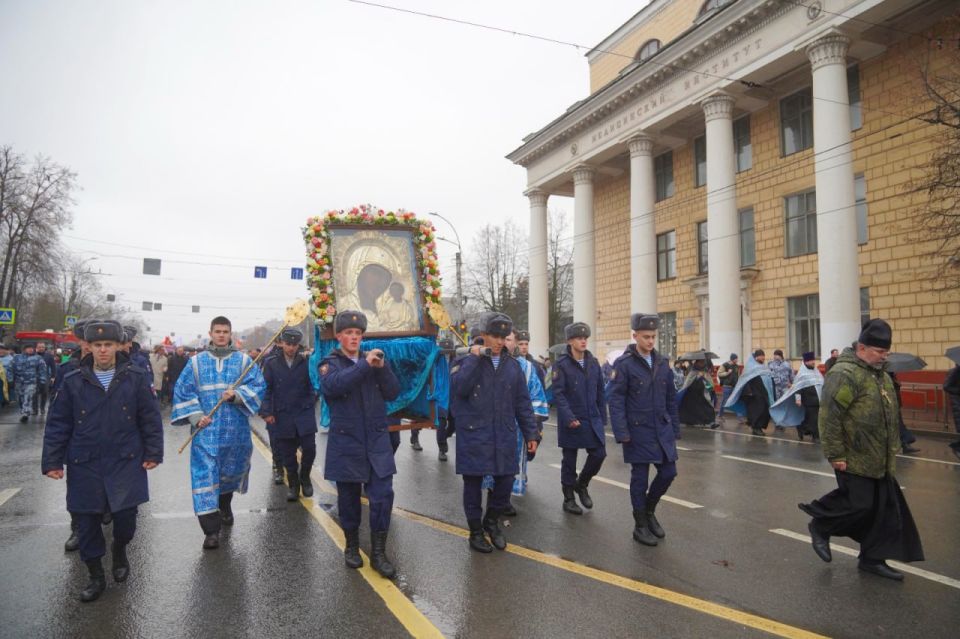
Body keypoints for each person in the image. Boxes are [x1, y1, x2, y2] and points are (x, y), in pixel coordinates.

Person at [41, 320, 163, 602]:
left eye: (108, 345)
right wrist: (53, 461)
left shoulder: (134, 377)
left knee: (125, 522)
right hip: (85, 462)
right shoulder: (73, 381)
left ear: (119, 346)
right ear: (89, 347)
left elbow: (150, 419)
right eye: (98, 345)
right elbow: (58, 424)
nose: (103, 350)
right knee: (87, 523)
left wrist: (153, 453)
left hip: (125, 461)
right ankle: (96, 576)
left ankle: (120, 550)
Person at [799, 319, 924, 581]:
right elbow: (830, 416)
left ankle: (872, 559)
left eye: (886, 352)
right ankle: (821, 524)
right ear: (863, 348)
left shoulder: (878, 374)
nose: (884, 357)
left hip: (880, 456)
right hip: (853, 455)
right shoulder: (845, 374)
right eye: (880, 352)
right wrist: (835, 454)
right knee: (861, 505)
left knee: (883, 511)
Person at [171, 316, 266, 550]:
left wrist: (236, 396)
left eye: (225, 331)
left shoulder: (244, 362)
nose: (221, 335)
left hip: (236, 433)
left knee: (229, 474)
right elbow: (183, 391)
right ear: (211, 333)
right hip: (205, 432)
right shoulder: (196, 363)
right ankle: (211, 531)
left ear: (230, 334)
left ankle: (225, 504)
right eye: (217, 331)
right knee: (205, 477)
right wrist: (195, 417)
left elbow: (258, 386)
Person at [319, 310, 401, 578]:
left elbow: (392, 392)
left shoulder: (373, 361)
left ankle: (379, 552)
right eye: (348, 333)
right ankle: (352, 546)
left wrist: (382, 367)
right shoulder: (330, 363)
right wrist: (365, 365)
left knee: (382, 496)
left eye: (358, 334)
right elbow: (334, 387)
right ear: (339, 336)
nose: (354, 337)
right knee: (349, 499)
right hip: (347, 442)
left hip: (376, 440)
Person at [450, 312, 538, 553]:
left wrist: (531, 434)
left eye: (504, 337)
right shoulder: (466, 360)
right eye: (495, 336)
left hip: (504, 433)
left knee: (505, 482)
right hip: (475, 434)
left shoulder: (513, 366)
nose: (500, 342)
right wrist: (474, 359)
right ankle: (476, 531)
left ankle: (492, 522)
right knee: (473, 485)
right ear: (484, 336)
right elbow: (459, 389)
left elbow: (522, 403)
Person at [607, 313, 679, 546]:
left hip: (661, 428)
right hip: (637, 431)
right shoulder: (625, 365)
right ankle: (639, 525)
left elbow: (671, 398)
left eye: (653, 337)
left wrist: (674, 428)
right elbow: (616, 400)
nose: (650, 341)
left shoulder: (662, 362)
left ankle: (649, 511)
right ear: (635, 335)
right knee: (640, 479)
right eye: (646, 337)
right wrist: (622, 432)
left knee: (669, 472)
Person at [482, 327, 548, 516]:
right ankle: (493, 501)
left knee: (510, 467)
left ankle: (505, 500)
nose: (506, 342)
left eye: (510, 339)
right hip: (492, 427)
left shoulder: (526, 367)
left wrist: (532, 424)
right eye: (503, 338)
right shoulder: (486, 363)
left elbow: (536, 396)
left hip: (516, 429)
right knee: (492, 465)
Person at [551, 322, 607, 515]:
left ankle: (581, 484)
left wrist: (602, 418)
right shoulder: (561, 364)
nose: (583, 341)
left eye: (585, 338)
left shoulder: (593, 362)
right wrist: (568, 417)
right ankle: (569, 498)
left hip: (591, 418)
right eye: (578, 338)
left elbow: (600, 391)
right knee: (569, 460)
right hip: (572, 420)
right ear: (570, 341)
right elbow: (559, 394)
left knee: (599, 454)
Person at [260, 328, 318, 501]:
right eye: (288, 344)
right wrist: (266, 411)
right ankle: (293, 484)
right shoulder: (271, 363)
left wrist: (311, 400)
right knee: (287, 454)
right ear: (281, 343)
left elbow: (314, 385)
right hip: (282, 415)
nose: (291, 348)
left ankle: (305, 477)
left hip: (304, 412)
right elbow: (266, 389)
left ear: (298, 345)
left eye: (294, 344)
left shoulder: (306, 362)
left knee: (309, 449)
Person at [770, 352, 823, 441]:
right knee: (813, 418)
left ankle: (801, 427)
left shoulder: (816, 372)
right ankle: (815, 436)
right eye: (811, 360)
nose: (813, 362)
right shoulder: (801, 374)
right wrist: (798, 399)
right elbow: (797, 388)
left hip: (818, 399)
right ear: (806, 362)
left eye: (813, 360)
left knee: (813, 418)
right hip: (809, 400)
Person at [725, 350, 774, 436]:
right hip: (754, 394)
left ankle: (758, 427)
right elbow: (745, 380)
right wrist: (749, 392)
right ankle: (756, 428)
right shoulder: (750, 367)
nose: (763, 357)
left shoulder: (764, 367)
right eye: (761, 355)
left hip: (764, 393)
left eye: (764, 355)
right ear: (756, 357)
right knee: (757, 411)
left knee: (765, 410)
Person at [12, 342, 48, 423]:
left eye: (32, 348)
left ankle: (25, 413)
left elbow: (42, 370)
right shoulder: (17, 358)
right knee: (20, 398)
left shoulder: (38, 358)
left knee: (28, 397)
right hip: (19, 382)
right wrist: (11, 380)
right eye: (28, 348)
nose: (30, 350)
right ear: (24, 349)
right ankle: (23, 410)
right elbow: (12, 369)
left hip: (31, 382)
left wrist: (42, 380)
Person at [677, 358, 717, 430]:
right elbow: (687, 383)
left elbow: (709, 385)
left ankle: (712, 422)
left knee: (708, 407)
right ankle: (690, 421)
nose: (702, 363)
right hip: (692, 394)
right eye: (701, 362)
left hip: (703, 394)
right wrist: (698, 376)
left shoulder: (705, 372)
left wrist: (704, 378)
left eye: (703, 362)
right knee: (692, 409)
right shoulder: (692, 371)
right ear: (697, 363)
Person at [888, 372, 920, 454]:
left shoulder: (891, 377)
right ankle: (906, 442)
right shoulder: (887, 378)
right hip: (891, 405)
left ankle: (906, 444)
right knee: (899, 426)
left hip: (895, 404)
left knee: (899, 425)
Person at [33, 342, 57, 416]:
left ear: (45, 348)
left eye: (42, 347)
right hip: (34, 378)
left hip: (45, 377)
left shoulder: (49, 356)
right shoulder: (33, 355)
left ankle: (42, 408)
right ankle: (35, 410)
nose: (41, 348)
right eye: (39, 347)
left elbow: (53, 367)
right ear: (36, 347)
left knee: (45, 393)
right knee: (34, 394)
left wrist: (53, 377)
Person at [943, 362, 960, 461]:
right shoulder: (955, 371)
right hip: (958, 404)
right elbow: (946, 386)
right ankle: (957, 447)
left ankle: (956, 446)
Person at [717, 353, 739, 420]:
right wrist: (727, 373)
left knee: (736, 401)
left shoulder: (736, 366)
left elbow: (737, 375)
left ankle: (740, 417)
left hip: (734, 386)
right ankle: (720, 415)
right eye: (736, 358)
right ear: (732, 359)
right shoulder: (725, 365)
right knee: (724, 401)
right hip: (727, 386)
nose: (737, 360)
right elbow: (719, 374)